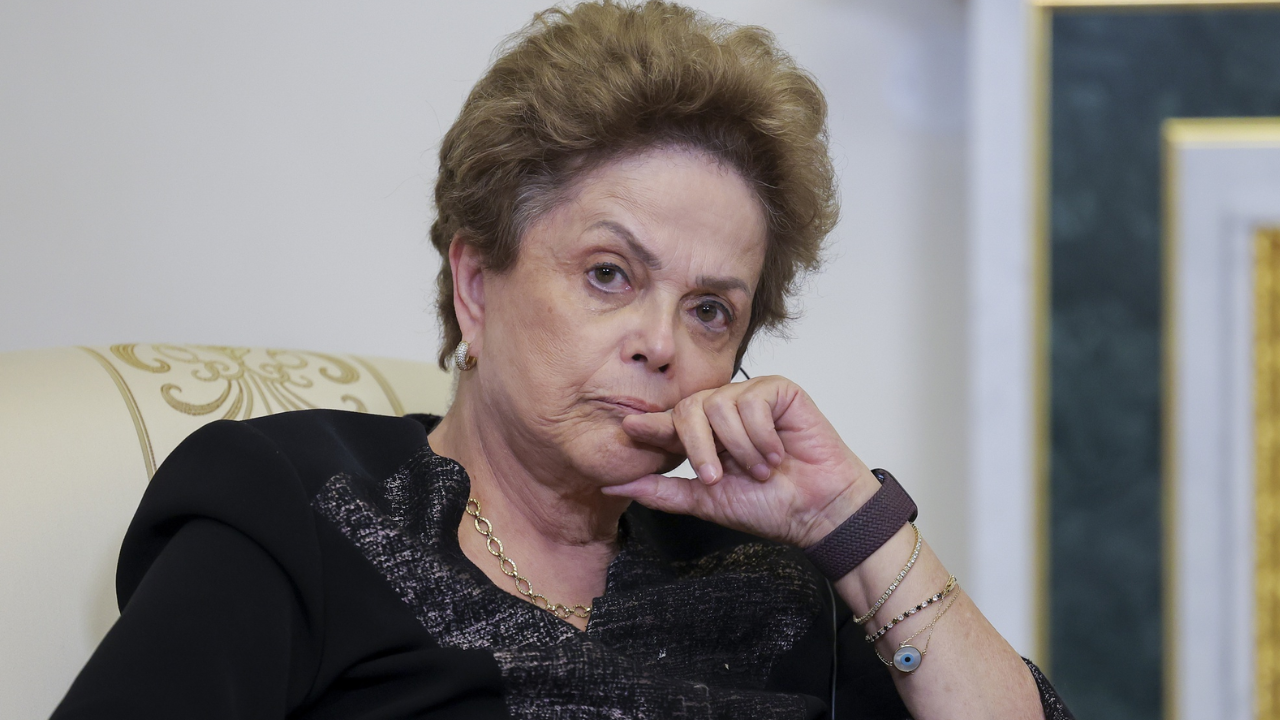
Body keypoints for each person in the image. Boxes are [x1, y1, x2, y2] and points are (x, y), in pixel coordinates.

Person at [52, 2, 1073, 718]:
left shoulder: (766, 575)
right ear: (476, 284)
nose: (661, 343)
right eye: (608, 274)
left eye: (710, 310)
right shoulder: (302, 508)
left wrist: (852, 524)